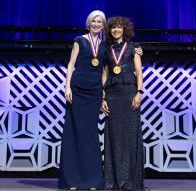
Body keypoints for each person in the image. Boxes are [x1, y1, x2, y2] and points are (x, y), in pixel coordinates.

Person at [58, 10, 106, 190]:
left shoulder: (104, 46)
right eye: (94, 21)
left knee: (90, 135)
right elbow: (71, 64)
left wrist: (103, 93)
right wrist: (67, 87)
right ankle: (72, 180)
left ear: (103, 25)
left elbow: (104, 71)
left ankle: (92, 181)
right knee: (74, 133)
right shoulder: (80, 40)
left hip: (94, 92)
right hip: (77, 90)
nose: (96, 24)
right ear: (88, 23)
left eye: (99, 22)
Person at [102, 16, 146, 191]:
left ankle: (130, 181)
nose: (116, 30)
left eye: (119, 27)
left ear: (124, 29)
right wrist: (103, 97)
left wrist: (139, 93)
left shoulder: (134, 48)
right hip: (112, 95)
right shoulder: (107, 49)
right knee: (113, 137)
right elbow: (104, 74)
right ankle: (112, 181)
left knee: (129, 137)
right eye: (113, 28)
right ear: (110, 31)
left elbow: (138, 71)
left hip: (129, 94)